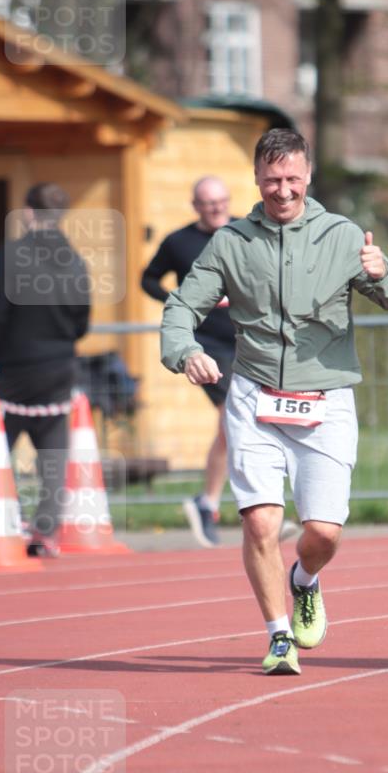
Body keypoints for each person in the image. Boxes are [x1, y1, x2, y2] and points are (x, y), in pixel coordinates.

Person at [161, 129, 388, 675]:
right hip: (254, 396)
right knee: (260, 524)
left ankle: (304, 580)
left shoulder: (343, 235)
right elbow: (182, 306)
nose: (283, 190)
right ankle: (279, 636)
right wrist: (184, 352)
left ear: (309, 176)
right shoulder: (231, 242)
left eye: (293, 179)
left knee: (322, 531)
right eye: (272, 179)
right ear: (256, 179)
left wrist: (383, 272)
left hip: (325, 398)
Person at [0, 182, 91, 557]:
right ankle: (44, 533)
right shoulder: (74, 258)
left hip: (16, 365)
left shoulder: (12, 254)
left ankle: (0, 520)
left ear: (29, 212)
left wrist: (0, 358)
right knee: (53, 451)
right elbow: (82, 320)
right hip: (59, 364)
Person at [142, 176, 235, 547]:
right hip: (207, 345)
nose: (216, 209)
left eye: (221, 202)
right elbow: (147, 279)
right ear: (195, 205)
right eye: (208, 203)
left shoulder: (245, 232)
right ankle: (212, 502)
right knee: (234, 414)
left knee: (249, 421)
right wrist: (178, 303)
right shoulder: (178, 242)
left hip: (250, 341)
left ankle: (229, 503)